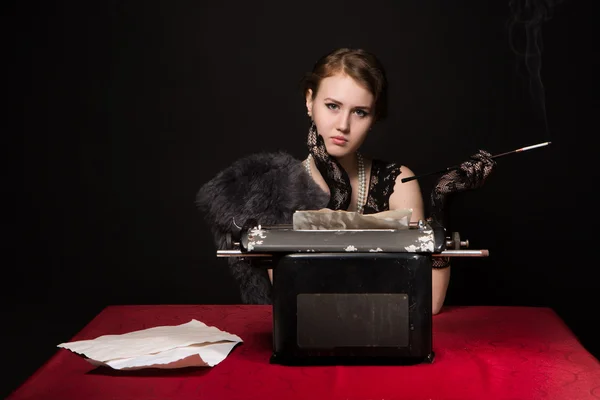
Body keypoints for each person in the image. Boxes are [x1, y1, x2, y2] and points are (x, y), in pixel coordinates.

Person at [196, 48, 496, 315]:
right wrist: (335, 197)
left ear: (374, 117)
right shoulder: (274, 188)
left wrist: (441, 205)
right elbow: (306, 300)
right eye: (332, 106)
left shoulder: (398, 181)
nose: (343, 125)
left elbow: (428, 304)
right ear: (309, 101)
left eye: (360, 112)